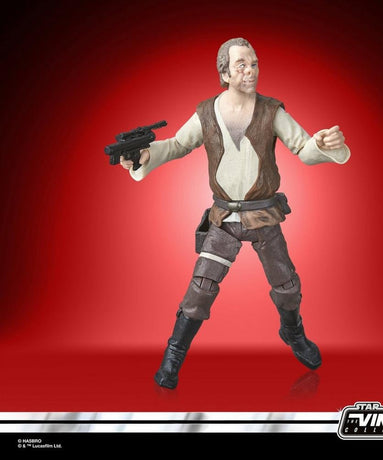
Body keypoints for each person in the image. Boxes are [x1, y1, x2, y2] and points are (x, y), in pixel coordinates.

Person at [120, 38, 351, 389]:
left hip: (263, 215)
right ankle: (174, 354)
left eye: (254, 63)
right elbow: (179, 144)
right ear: (225, 73)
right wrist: (145, 155)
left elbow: (303, 147)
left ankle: (293, 332)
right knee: (200, 288)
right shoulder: (206, 112)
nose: (250, 71)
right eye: (241, 65)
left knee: (287, 286)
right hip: (223, 219)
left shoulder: (271, 111)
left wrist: (321, 144)